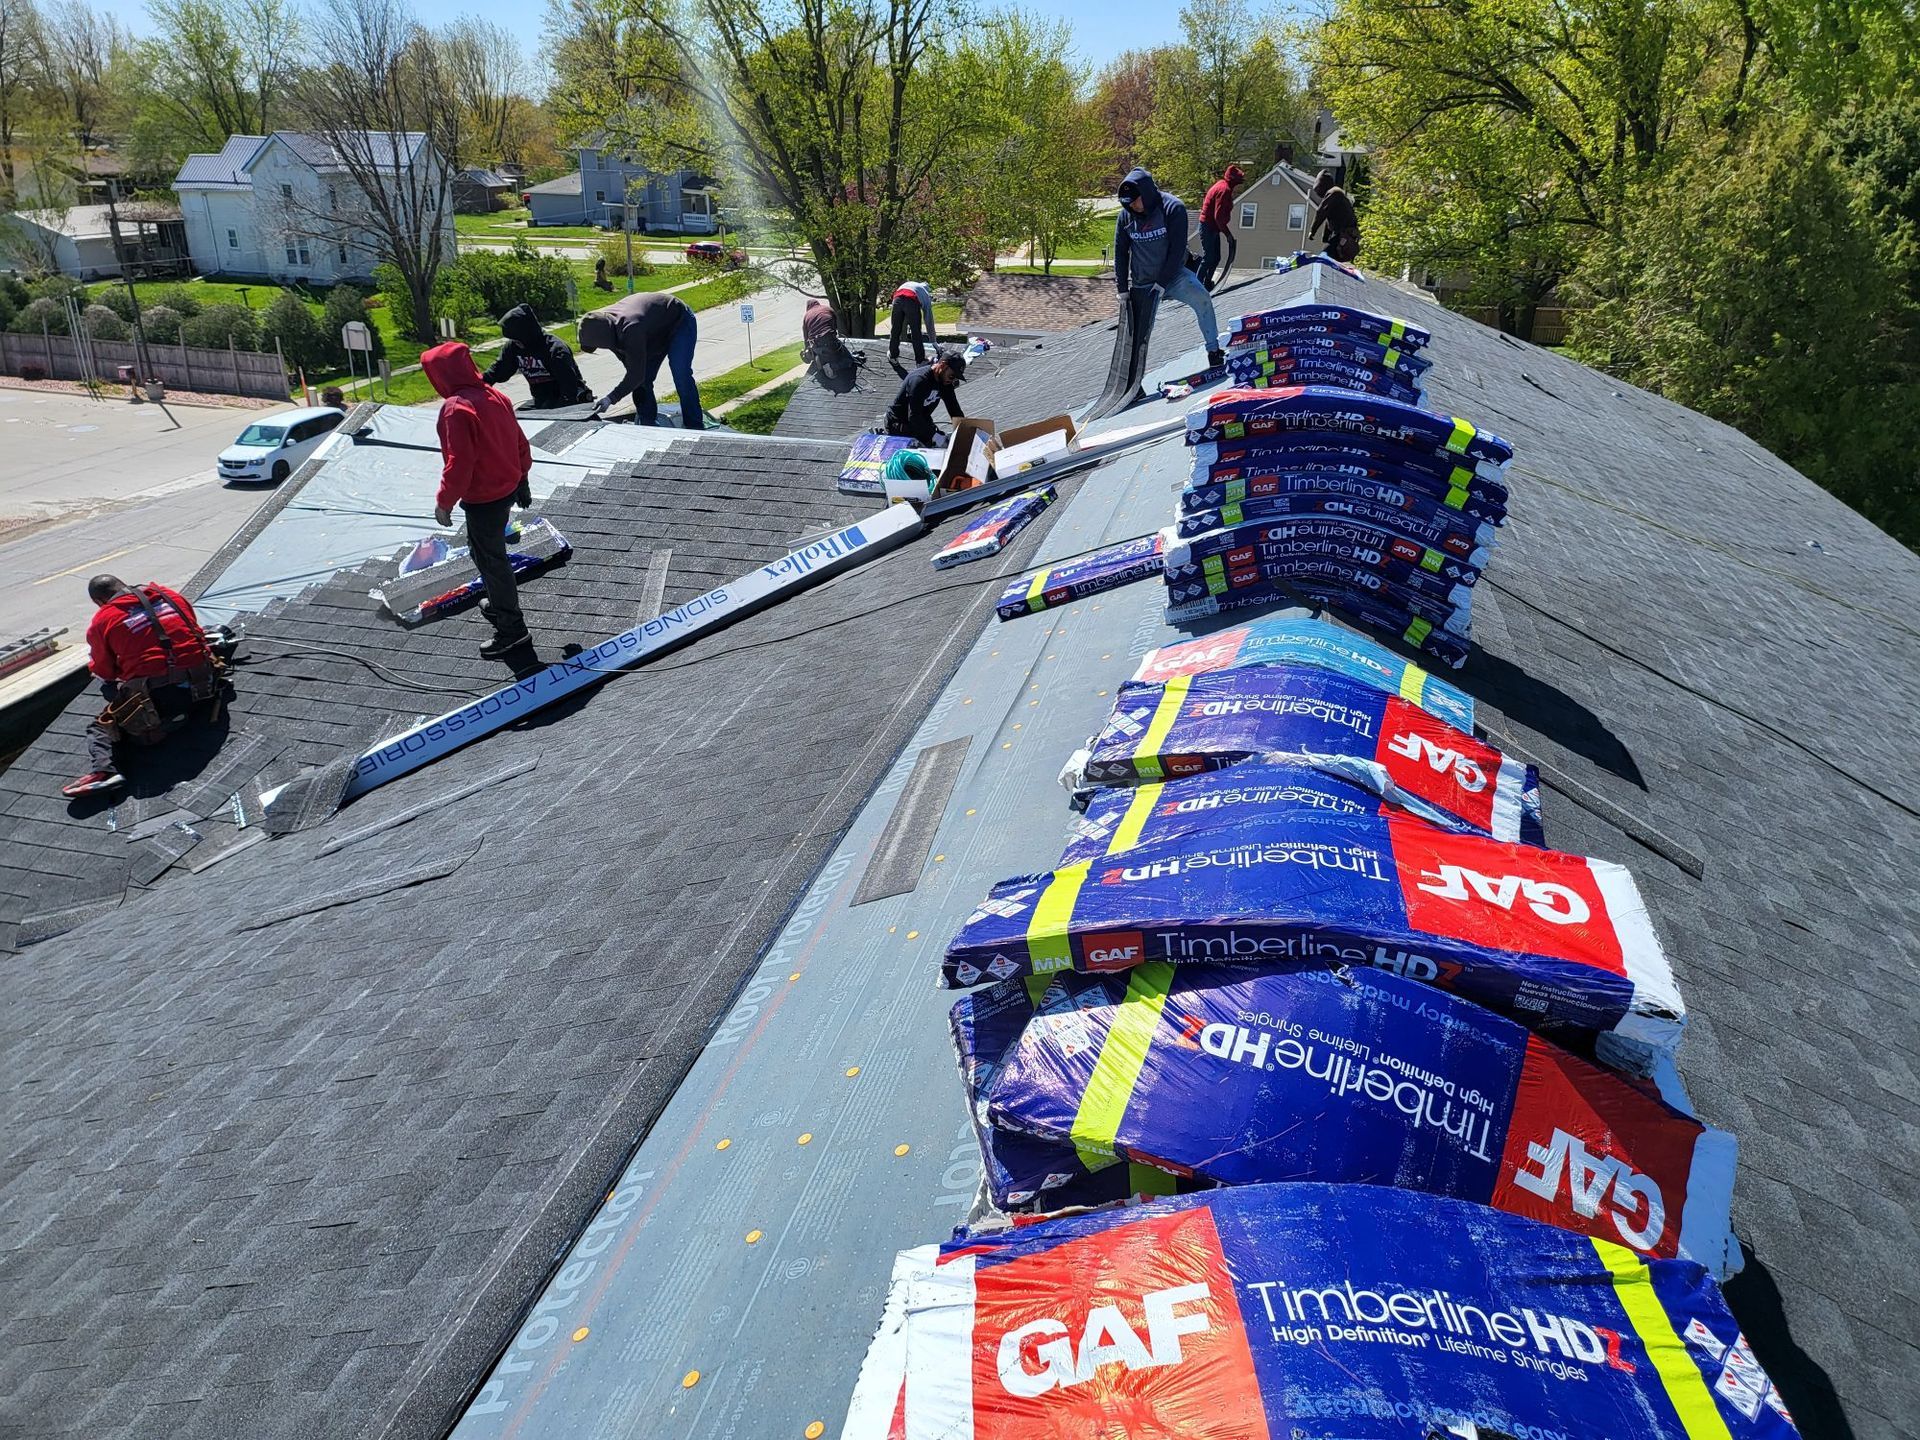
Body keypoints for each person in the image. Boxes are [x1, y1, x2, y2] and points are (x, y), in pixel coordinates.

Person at [422, 341, 537, 659]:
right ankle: (500, 605)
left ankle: (512, 630)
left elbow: (459, 463)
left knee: (492, 561)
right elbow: (518, 441)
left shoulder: (456, 409)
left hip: (484, 498)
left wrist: (444, 501)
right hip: (506, 489)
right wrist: (523, 479)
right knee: (483, 552)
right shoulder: (494, 396)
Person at [62, 575, 220, 797]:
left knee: (102, 726)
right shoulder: (169, 595)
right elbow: (192, 630)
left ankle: (106, 771)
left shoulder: (104, 619)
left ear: (99, 601)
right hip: (207, 684)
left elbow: (104, 670)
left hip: (166, 699)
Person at [1114, 167, 1222, 367]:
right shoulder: (1126, 217)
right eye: (1128, 204)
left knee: (1203, 299)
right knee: (1139, 332)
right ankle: (1134, 380)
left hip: (1174, 276)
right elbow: (1120, 252)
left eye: (1136, 201)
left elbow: (1176, 249)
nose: (1134, 207)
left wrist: (1162, 283)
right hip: (1143, 282)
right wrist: (1122, 289)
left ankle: (1214, 352)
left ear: (1145, 193)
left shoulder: (1173, 208)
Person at [577, 291, 703, 430]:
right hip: (653, 331)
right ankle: (648, 426)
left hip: (679, 321)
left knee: (681, 373)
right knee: (642, 382)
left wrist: (610, 398)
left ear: (604, 338)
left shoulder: (631, 328)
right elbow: (633, 371)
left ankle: (694, 426)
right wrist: (634, 379)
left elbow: (635, 375)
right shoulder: (605, 326)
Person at [484, 303, 594, 410]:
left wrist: (558, 413)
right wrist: (478, 382)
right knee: (515, 420)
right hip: (541, 401)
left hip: (568, 399)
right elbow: (498, 371)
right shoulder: (513, 347)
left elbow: (569, 387)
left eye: (517, 339)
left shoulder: (555, 349)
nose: (515, 342)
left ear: (527, 334)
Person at [883, 350, 967, 446]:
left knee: (946, 445)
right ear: (943, 365)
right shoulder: (919, 380)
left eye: (956, 378)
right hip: (900, 424)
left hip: (921, 421)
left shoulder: (944, 382)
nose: (952, 380)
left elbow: (954, 408)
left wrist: (964, 432)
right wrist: (935, 437)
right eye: (952, 376)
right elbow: (913, 416)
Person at [1197, 163, 1245, 290]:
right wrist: (1228, 234)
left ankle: (1207, 284)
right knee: (1209, 258)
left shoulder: (1222, 186)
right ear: (1233, 180)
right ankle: (1196, 287)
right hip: (1208, 226)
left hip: (1212, 227)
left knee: (1215, 257)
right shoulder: (1224, 190)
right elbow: (1218, 217)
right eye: (1239, 180)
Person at [802, 297, 858, 383]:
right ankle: (832, 366)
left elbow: (806, 337)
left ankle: (820, 357)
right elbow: (835, 326)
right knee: (849, 360)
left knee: (825, 353)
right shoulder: (827, 309)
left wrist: (808, 349)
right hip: (829, 341)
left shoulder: (806, 315)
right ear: (817, 303)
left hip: (816, 344)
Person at [1310, 171, 1361, 263]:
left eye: (1317, 189)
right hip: (1343, 235)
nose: (1317, 193)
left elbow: (1321, 212)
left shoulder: (1334, 193)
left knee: (1325, 258)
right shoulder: (1336, 193)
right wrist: (1325, 238)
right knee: (1329, 258)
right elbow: (1329, 218)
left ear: (1322, 186)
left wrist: (1312, 231)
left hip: (1343, 234)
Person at [888, 279, 935, 364]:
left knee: (895, 329)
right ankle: (920, 361)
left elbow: (899, 296)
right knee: (916, 332)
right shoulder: (926, 294)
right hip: (911, 301)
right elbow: (929, 320)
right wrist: (933, 340)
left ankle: (893, 356)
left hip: (897, 299)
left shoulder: (908, 284)